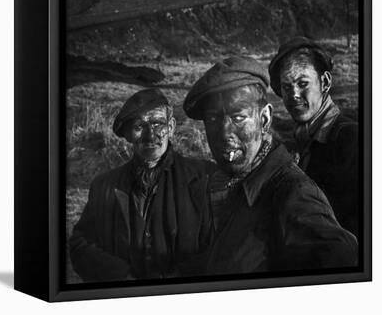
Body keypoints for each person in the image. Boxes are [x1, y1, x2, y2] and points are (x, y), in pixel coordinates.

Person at [183, 57, 357, 275]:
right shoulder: (228, 183)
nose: (224, 133)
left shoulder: (293, 193)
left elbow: (344, 259)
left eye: (238, 117)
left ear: (264, 119)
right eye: (213, 119)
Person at [70, 88, 213, 282]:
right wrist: (120, 276)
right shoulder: (104, 186)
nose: (149, 135)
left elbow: (221, 246)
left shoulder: (203, 178)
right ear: (128, 135)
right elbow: (80, 244)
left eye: (157, 124)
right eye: (139, 127)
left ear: (171, 127)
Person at [269, 37, 359, 236]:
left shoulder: (352, 140)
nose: (294, 94)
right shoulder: (298, 143)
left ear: (325, 82)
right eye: (286, 87)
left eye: (303, 83)